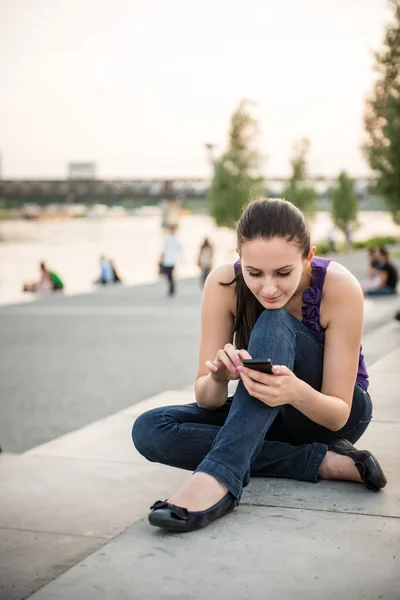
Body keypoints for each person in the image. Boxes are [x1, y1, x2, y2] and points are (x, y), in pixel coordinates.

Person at [132, 198, 387, 534]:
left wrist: (295, 392)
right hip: (262, 412)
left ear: (308, 256)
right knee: (150, 429)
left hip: (329, 414)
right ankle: (318, 461)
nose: (268, 288)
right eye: (254, 273)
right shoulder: (222, 284)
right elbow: (206, 399)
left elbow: (339, 412)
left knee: (274, 320)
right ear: (239, 258)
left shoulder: (338, 287)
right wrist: (219, 377)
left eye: (283, 273)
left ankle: (218, 478)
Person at [160, 224, 181, 297]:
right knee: (167, 275)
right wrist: (161, 258)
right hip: (167, 259)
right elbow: (164, 250)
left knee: (170, 275)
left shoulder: (176, 239)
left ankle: (172, 289)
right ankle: (171, 288)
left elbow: (179, 250)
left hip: (172, 260)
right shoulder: (167, 239)